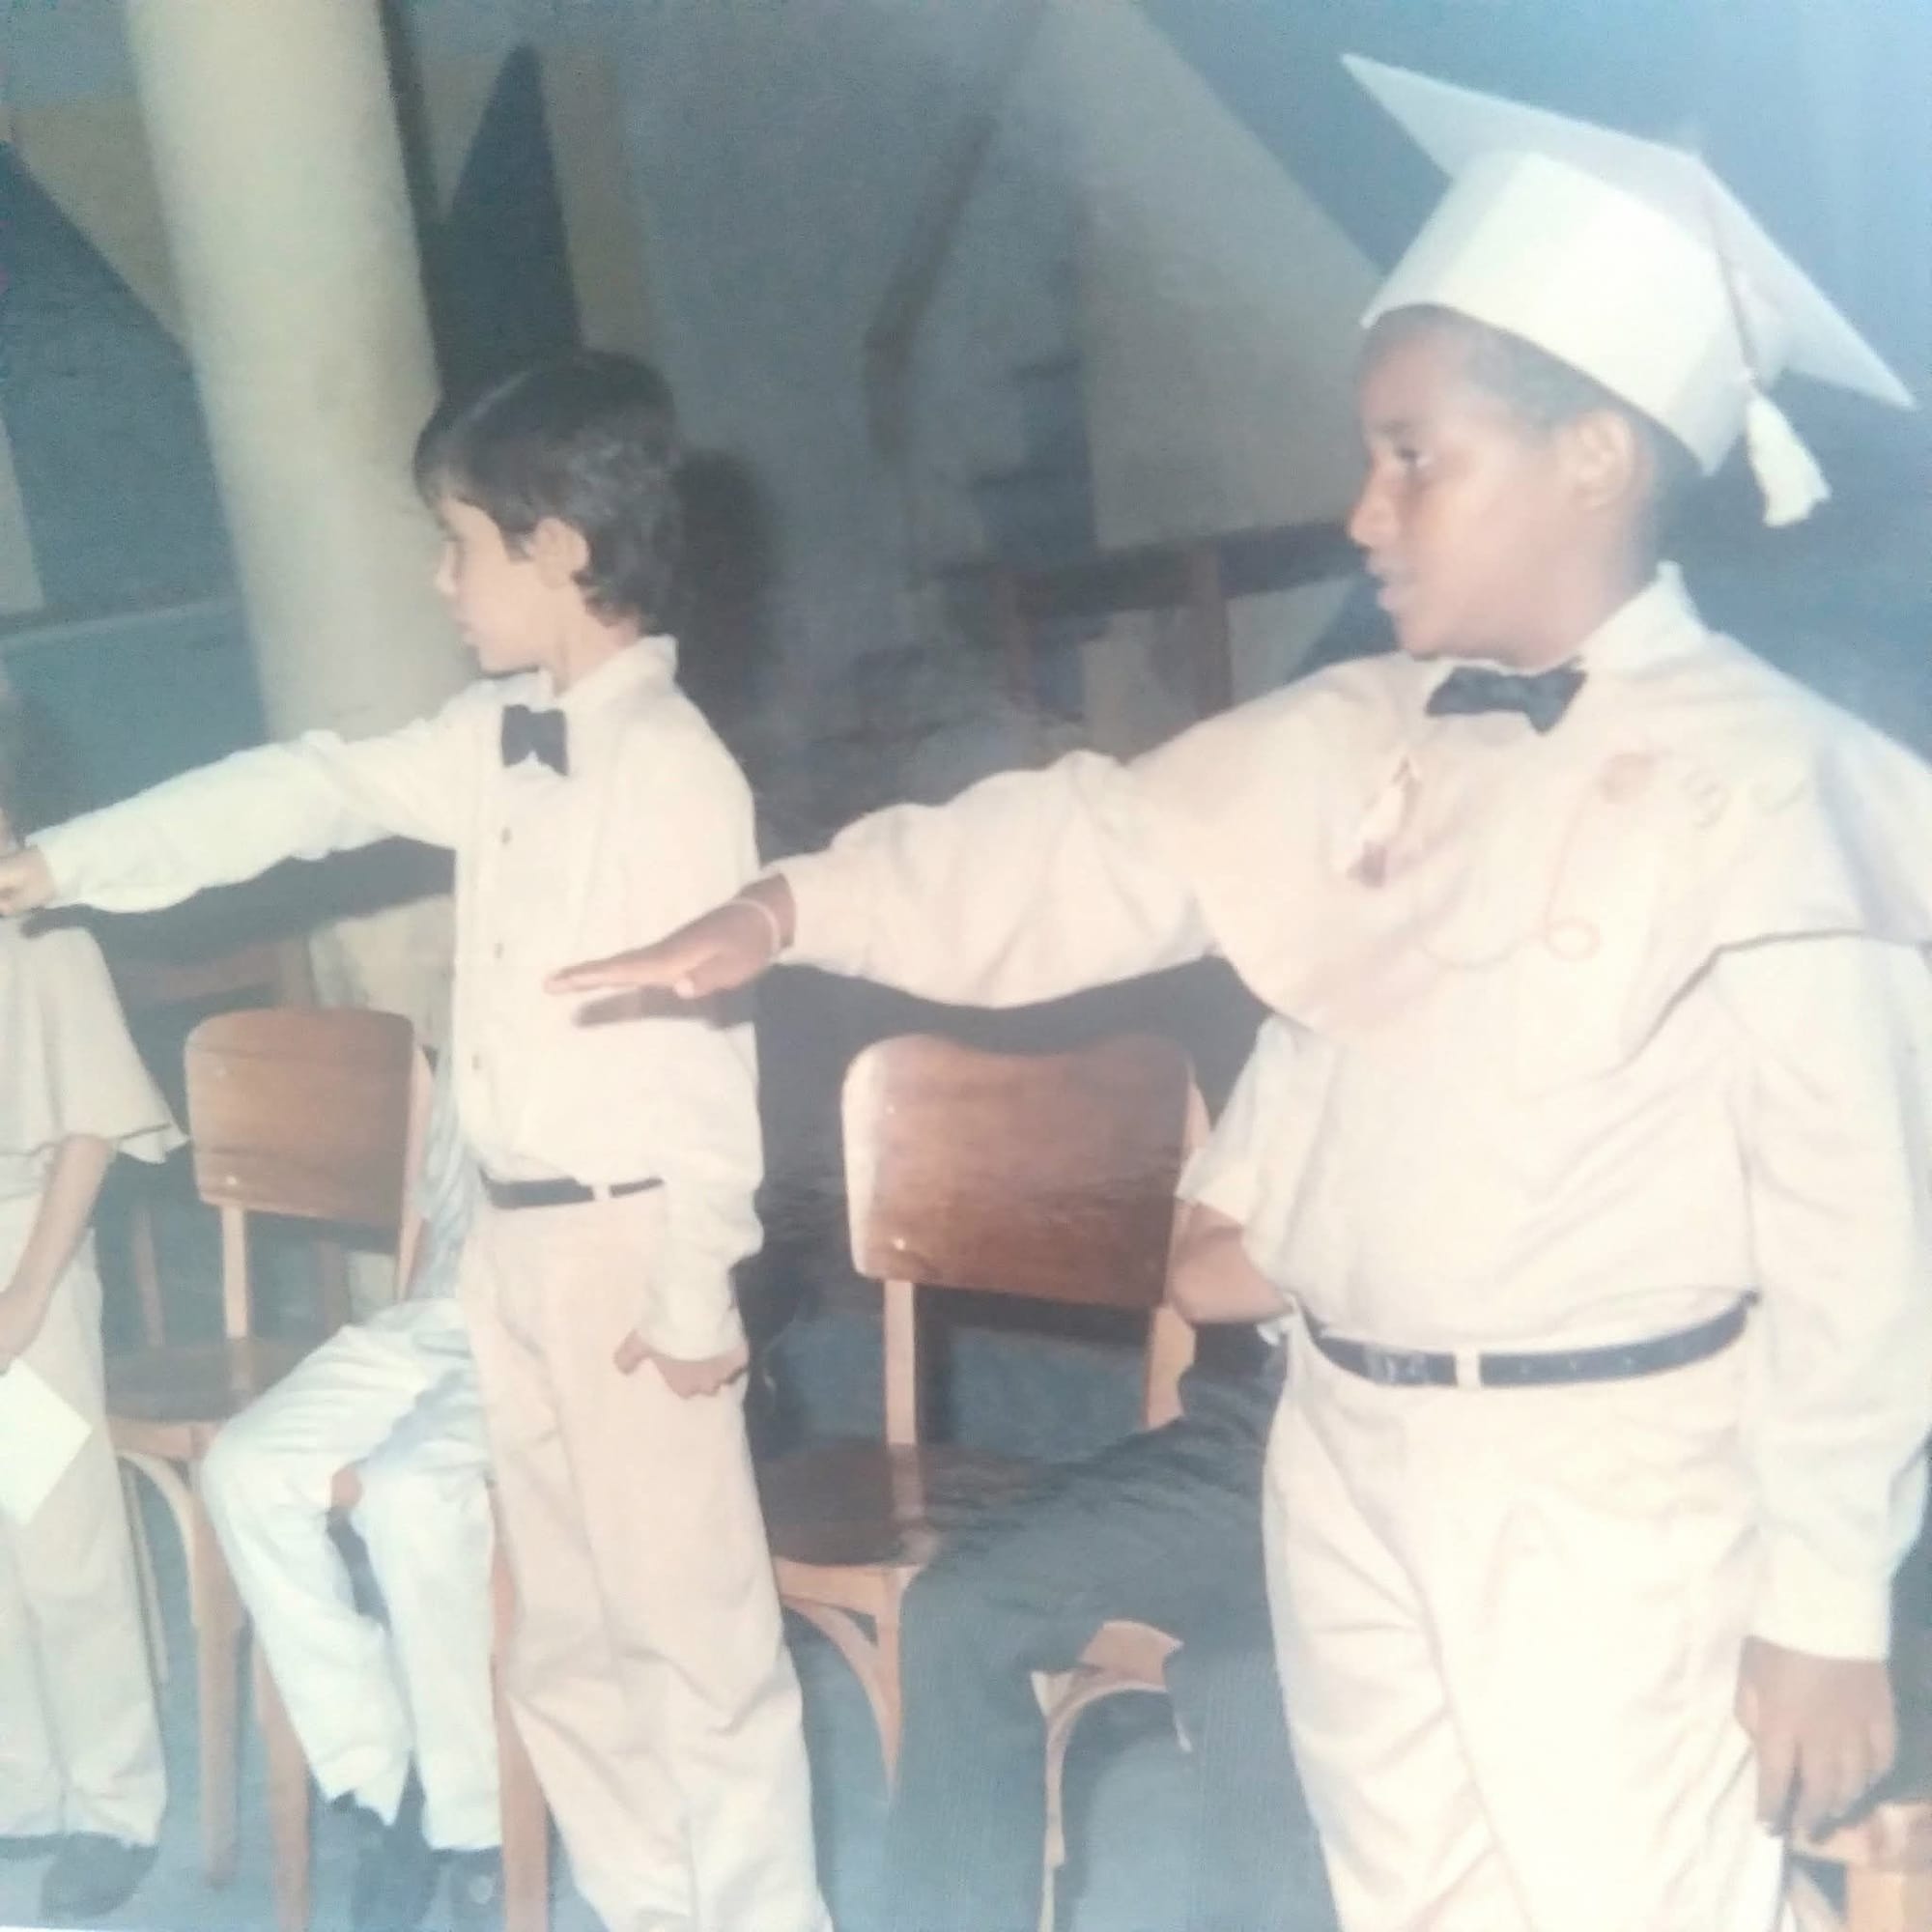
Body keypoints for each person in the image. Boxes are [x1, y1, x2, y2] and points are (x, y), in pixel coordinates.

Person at [546, 60, 1932, 1932]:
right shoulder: (1354, 736)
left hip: (1613, 1487)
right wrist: (798, 904)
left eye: (1413, 455)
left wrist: (1824, 1600)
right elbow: (1086, 846)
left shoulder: (1788, 792)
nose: (1363, 509)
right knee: (1404, 1896)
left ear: (1595, 459)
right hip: (1342, 1444)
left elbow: (1865, 1241)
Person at [0, 354, 829, 1932]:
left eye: (459, 545)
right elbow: (304, 792)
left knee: (694, 1654)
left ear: (559, 547)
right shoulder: (497, 733)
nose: (440, 582)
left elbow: (708, 1070)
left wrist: (691, 1297)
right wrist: (61, 866)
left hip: (627, 1251)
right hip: (509, 1249)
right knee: (567, 1655)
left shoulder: (668, 769)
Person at [882, 1027, 1317, 1932]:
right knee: (961, 1608)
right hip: (1254, 1440)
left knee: (1250, 1681)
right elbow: (1205, 1278)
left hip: (1434, 1455)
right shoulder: (1311, 1034)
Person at [201, 1052, 497, 1932]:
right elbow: (438, 1216)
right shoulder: (472, 1028)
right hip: (433, 1323)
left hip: (548, 1337)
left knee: (410, 1492)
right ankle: (383, 1779)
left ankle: (477, 1823)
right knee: (244, 1467)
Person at [0, 685, 182, 1926]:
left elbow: (91, 1130)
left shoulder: (43, 927)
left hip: (26, 1251)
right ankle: (24, 1780)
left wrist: (25, 1295)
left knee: (58, 1540)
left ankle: (116, 1798)